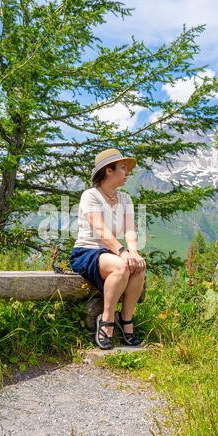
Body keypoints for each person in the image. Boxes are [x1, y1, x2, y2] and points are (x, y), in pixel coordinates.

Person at [70, 148, 147, 350]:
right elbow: (101, 230)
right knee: (122, 267)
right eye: (123, 168)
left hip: (111, 253)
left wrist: (134, 252)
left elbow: (130, 230)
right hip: (87, 252)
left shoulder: (125, 199)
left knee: (138, 267)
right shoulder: (91, 195)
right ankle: (106, 319)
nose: (127, 173)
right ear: (109, 170)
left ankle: (126, 320)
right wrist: (123, 253)